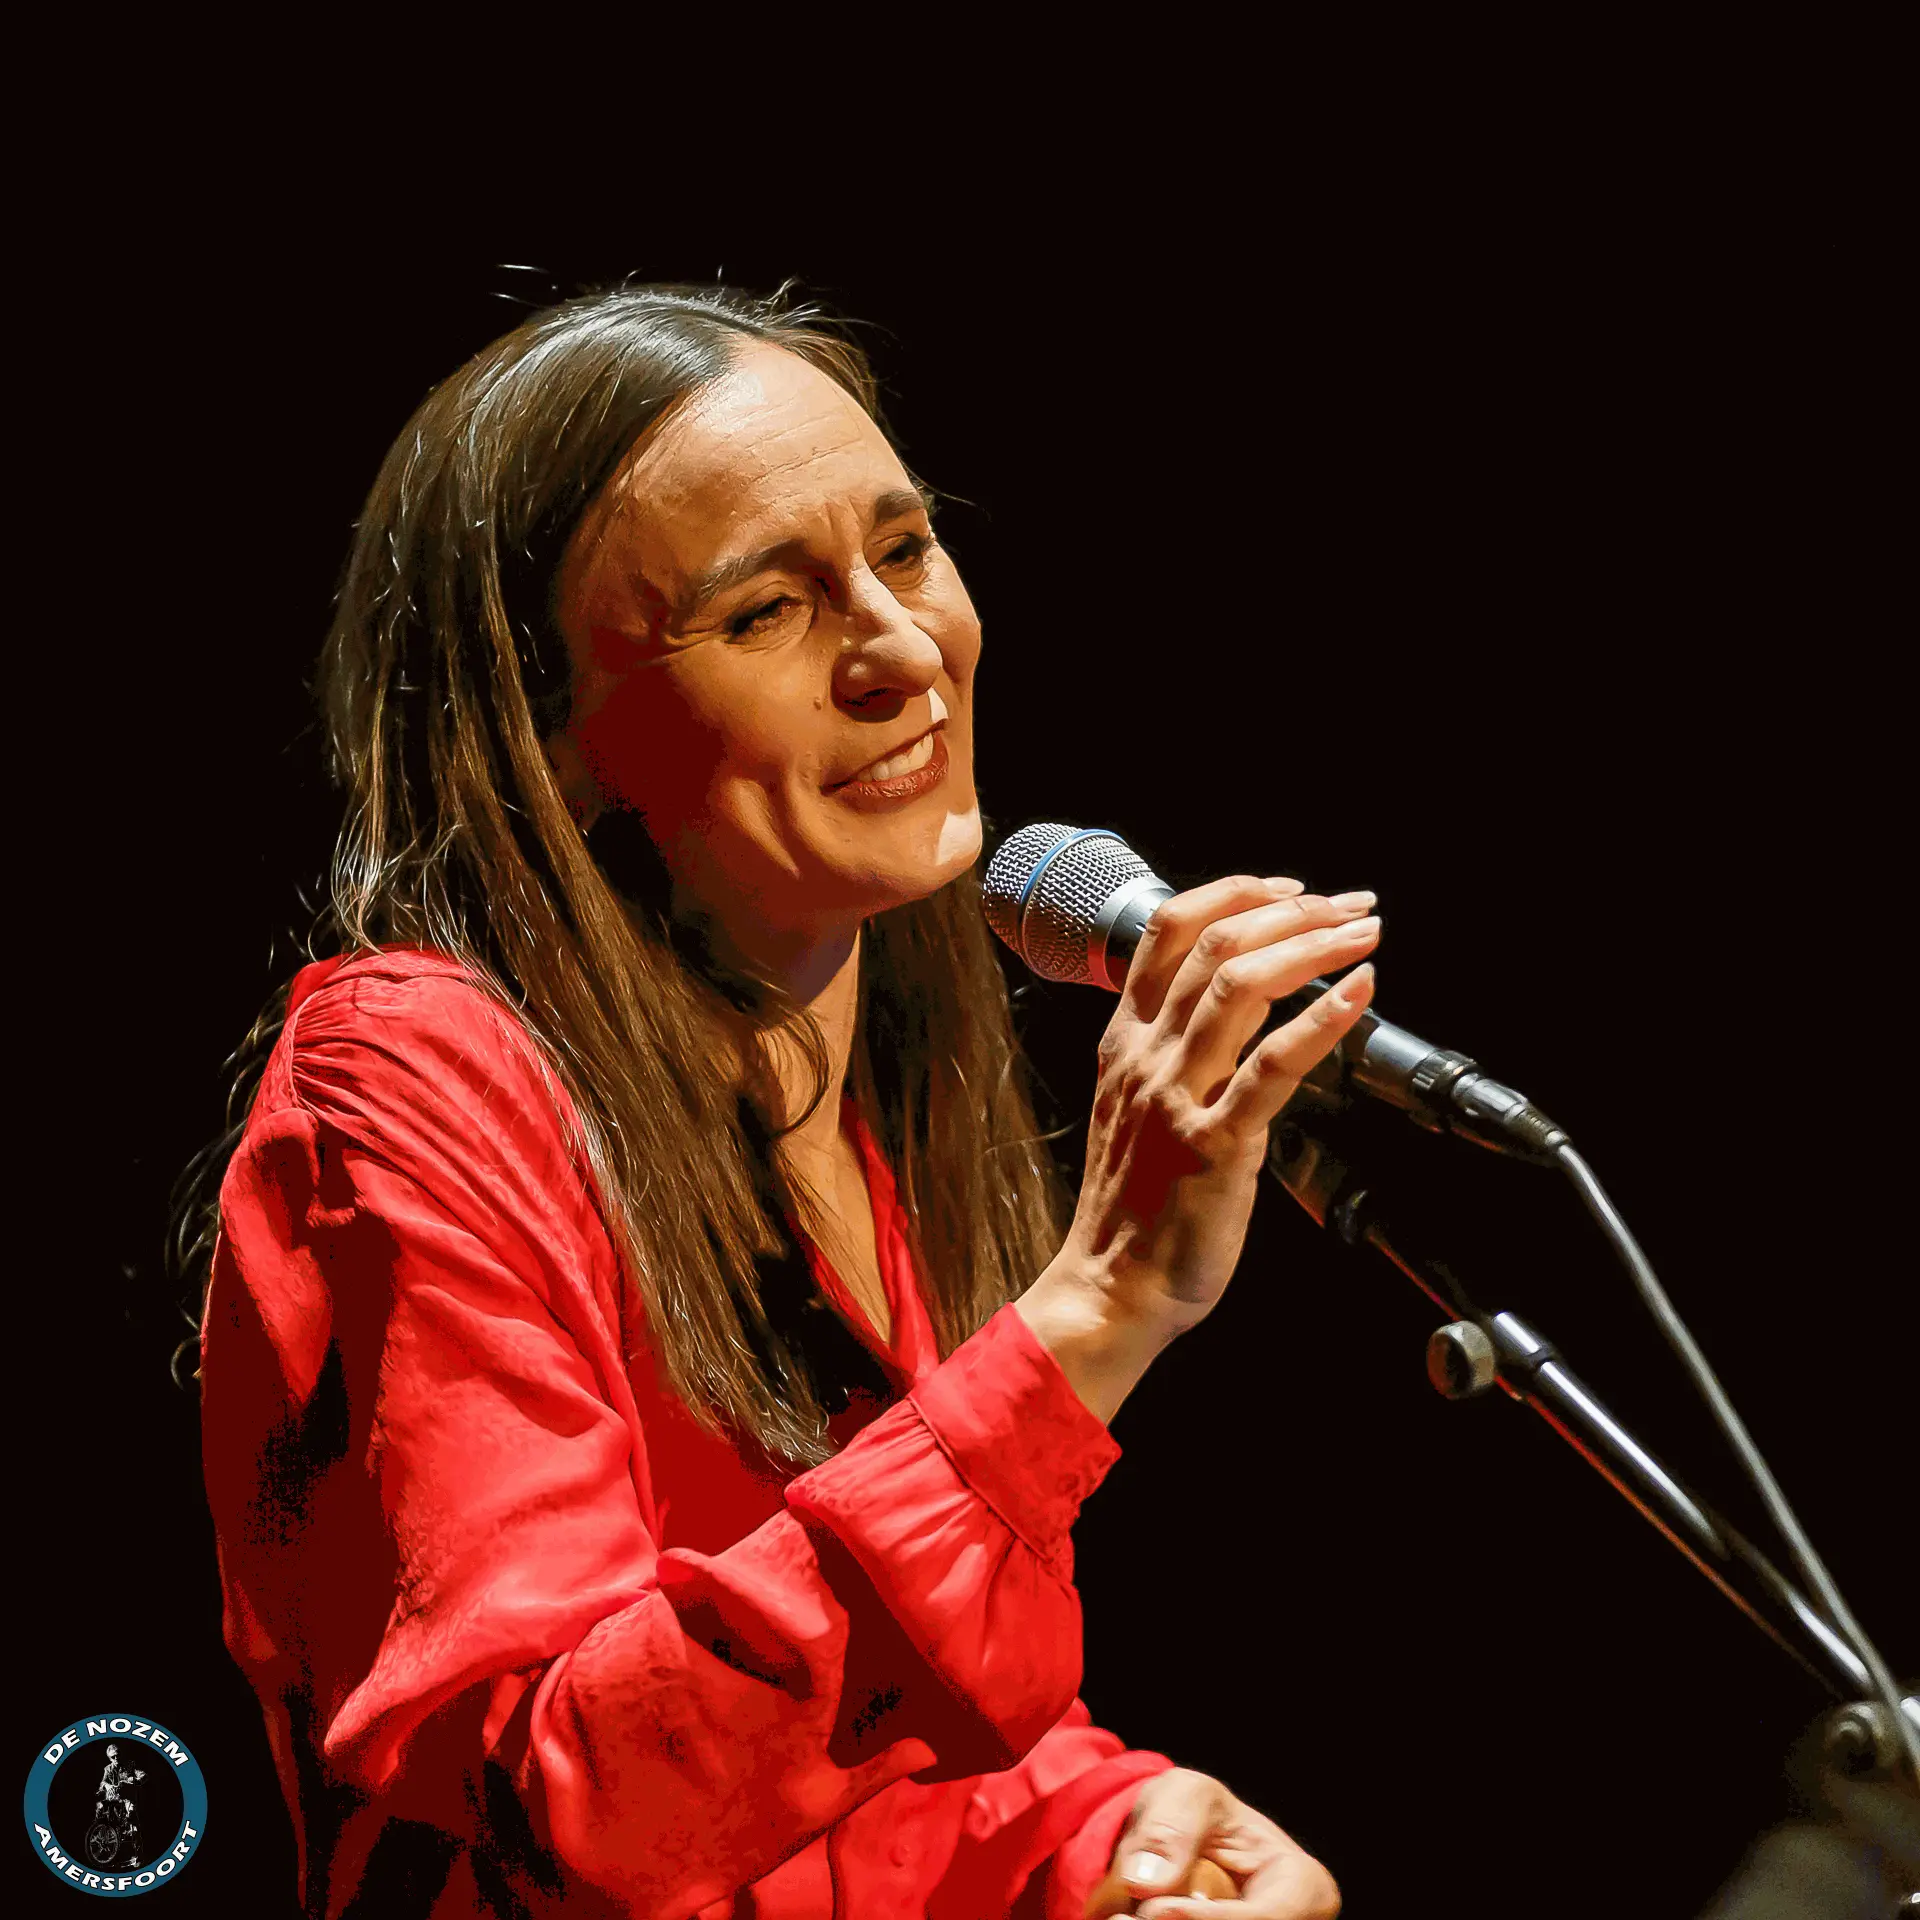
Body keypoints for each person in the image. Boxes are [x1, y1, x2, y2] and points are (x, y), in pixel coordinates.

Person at [192, 282, 1380, 1918]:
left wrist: (1100, 1825)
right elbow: (578, 1801)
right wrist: (1097, 1308)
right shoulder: (411, 1077)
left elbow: (832, 1759)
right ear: (551, 736)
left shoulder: (853, 1053)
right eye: (765, 612)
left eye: (906, 550)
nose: (903, 650)